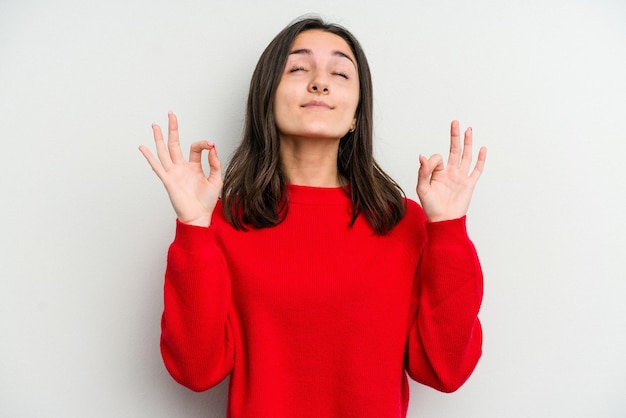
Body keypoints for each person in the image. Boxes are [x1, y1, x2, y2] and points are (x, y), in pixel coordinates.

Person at [139, 16, 487, 418]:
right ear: (266, 98)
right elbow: (195, 371)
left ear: (357, 114)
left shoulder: (402, 223)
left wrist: (448, 232)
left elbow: (445, 371)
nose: (319, 82)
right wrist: (194, 229)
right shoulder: (223, 221)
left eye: (340, 72)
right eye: (298, 68)